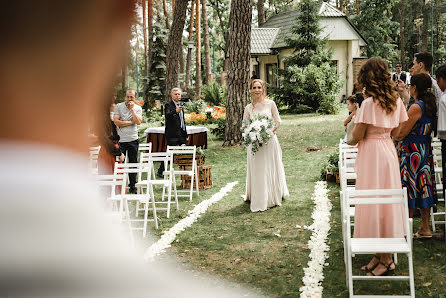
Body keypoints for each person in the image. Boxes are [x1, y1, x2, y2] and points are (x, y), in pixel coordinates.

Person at [0, 1, 253, 297]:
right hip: (129, 139)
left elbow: (132, 121)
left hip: (134, 138)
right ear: (120, 23)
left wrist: (130, 116)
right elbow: (121, 122)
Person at [351, 58, 408, 276]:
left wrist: (351, 135)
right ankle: (380, 254)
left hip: (371, 153)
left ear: (368, 78)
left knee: (375, 201)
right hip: (387, 151)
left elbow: (357, 135)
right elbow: (397, 133)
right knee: (384, 202)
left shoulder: (366, 104)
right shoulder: (395, 101)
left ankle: (388, 259)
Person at [395, 73, 438, 238]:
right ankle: (425, 228)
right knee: (424, 185)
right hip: (425, 150)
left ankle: (406, 228)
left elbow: (402, 133)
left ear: (413, 87)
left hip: (412, 152)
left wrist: (394, 137)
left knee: (410, 186)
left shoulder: (416, 107)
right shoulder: (430, 104)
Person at [243, 79, 289, 212]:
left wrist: (267, 133)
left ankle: (272, 196)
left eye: (259, 87)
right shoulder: (248, 107)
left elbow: (278, 121)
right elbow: (245, 124)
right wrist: (253, 134)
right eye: (254, 87)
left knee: (269, 167)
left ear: (263, 89)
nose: (256, 90)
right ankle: (258, 196)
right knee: (258, 170)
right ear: (251, 90)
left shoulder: (271, 104)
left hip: (269, 141)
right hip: (254, 143)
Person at [113, 89, 142, 193]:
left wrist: (132, 110)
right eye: (128, 97)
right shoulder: (119, 106)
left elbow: (138, 122)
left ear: (135, 98)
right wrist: (130, 122)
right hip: (121, 140)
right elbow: (116, 121)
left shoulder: (138, 108)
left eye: (132, 97)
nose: (129, 99)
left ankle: (133, 186)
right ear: (125, 96)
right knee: (120, 163)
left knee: (133, 163)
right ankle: (120, 186)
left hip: (133, 139)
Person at [158, 87, 188, 178]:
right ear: (171, 95)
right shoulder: (168, 105)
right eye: (176, 94)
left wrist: (185, 133)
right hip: (172, 134)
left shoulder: (181, 105)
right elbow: (167, 116)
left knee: (185, 152)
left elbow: (182, 120)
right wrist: (175, 111)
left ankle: (185, 172)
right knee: (169, 153)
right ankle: (161, 171)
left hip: (181, 134)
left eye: (179, 94)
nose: (177, 95)